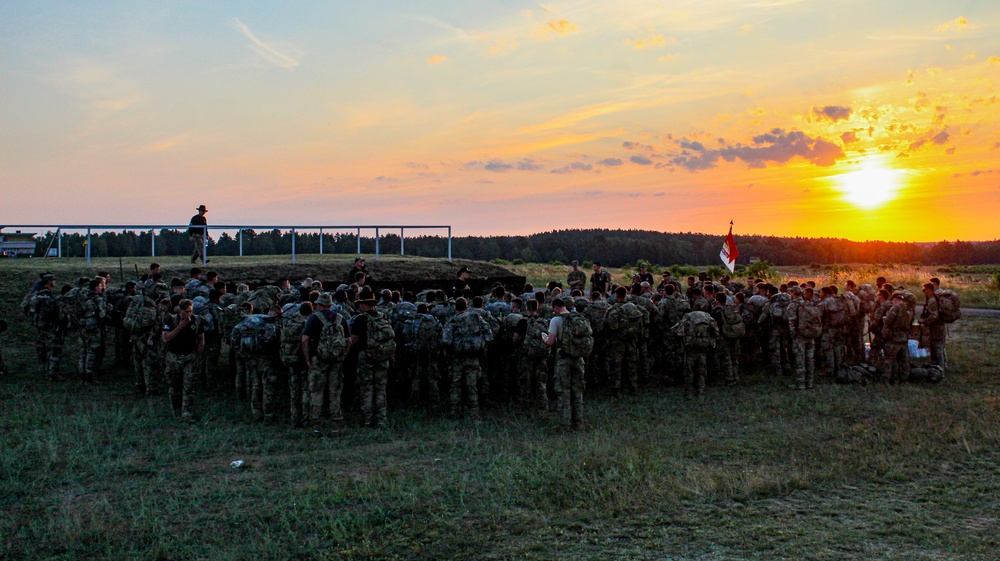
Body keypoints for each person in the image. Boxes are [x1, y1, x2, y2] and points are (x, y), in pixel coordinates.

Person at [302, 293, 351, 435]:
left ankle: (316, 426)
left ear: (319, 304)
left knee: (317, 391)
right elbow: (348, 340)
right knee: (335, 392)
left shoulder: (314, 318)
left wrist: (307, 358)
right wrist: (343, 355)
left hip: (318, 359)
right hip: (336, 360)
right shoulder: (341, 318)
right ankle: (335, 425)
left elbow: (305, 339)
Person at [162, 298, 205, 420]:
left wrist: (197, 353)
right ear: (180, 311)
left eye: (190, 311)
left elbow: (201, 339)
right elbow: (166, 338)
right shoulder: (172, 320)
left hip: (189, 357)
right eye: (186, 311)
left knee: (189, 385)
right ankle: (175, 412)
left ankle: (186, 412)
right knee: (174, 386)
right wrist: (180, 326)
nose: (188, 314)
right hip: (173, 357)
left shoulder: (196, 321)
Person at [918, 282, 947, 371]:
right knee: (939, 346)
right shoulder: (931, 299)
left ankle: (939, 369)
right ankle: (941, 366)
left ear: (930, 290)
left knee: (937, 347)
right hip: (937, 327)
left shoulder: (932, 301)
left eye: (924, 290)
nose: (924, 292)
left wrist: (924, 321)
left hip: (937, 327)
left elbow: (934, 316)